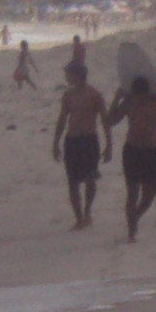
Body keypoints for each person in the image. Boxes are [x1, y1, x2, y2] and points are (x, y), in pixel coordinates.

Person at [108, 77, 156, 242]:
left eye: (142, 96)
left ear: (147, 94)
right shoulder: (128, 102)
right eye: (136, 97)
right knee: (132, 191)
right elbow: (110, 121)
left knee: (149, 194)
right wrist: (116, 98)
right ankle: (131, 231)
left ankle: (134, 219)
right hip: (132, 149)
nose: (139, 100)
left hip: (150, 150)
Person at [52, 63, 113, 230]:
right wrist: (55, 142)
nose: (66, 78)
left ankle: (87, 211)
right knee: (72, 182)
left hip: (89, 140)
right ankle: (79, 218)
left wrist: (109, 145)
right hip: (72, 141)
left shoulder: (94, 95)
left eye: (68, 74)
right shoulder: (68, 95)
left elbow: (104, 121)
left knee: (90, 179)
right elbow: (62, 119)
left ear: (78, 75)